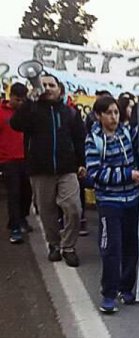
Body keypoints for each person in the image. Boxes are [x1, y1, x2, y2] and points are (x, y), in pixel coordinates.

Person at [11, 74, 86, 267]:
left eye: (51, 85)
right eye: (43, 85)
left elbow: (79, 139)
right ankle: (54, 244)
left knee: (73, 208)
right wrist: (29, 101)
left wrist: (82, 163)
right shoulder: (32, 110)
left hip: (67, 169)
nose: (47, 88)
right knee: (47, 211)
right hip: (40, 170)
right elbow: (15, 124)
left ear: (59, 89)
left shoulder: (70, 113)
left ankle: (68, 246)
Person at [85, 96, 139, 313]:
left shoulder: (128, 134)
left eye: (116, 112)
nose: (114, 117)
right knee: (111, 249)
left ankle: (125, 288)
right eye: (109, 113)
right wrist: (128, 175)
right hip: (110, 203)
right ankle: (108, 294)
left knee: (131, 247)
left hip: (132, 200)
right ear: (99, 115)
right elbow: (95, 173)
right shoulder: (94, 140)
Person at [0, 83, 32, 243]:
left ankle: (22, 217)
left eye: (23, 100)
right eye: (17, 100)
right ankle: (14, 227)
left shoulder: (27, 112)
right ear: (10, 96)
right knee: (14, 194)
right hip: (7, 160)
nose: (20, 103)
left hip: (26, 159)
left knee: (27, 192)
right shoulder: (0, 112)